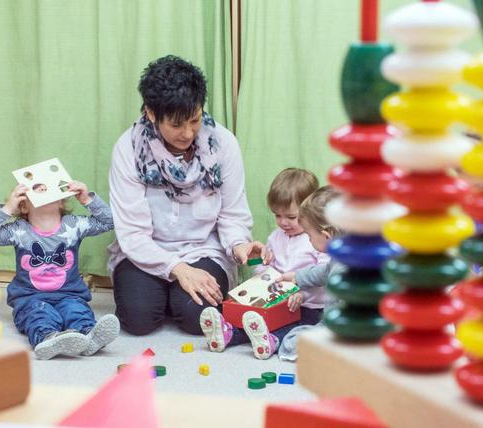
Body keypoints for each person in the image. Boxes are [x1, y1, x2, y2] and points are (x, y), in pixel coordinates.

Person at [108, 55, 266, 336]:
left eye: (194, 120)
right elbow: (132, 233)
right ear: (151, 113)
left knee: (197, 319)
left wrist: (239, 246)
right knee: (138, 319)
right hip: (145, 251)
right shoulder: (129, 148)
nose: (188, 133)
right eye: (177, 124)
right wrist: (177, 269)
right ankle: (164, 290)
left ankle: (174, 295)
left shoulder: (223, 143)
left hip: (202, 248)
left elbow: (232, 213)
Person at [0, 181, 118, 359]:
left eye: (48, 187)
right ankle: (47, 338)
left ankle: (89, 335)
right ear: (23, 206)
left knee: (76, 310)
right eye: (36, 189)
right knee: (39, 314)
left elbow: (109, 222)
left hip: (70, 294)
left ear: (61, 201)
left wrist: (86, 199)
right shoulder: (19, 230)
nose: (43, 189)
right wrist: (7, 208)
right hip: (30, 298)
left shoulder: (73, 225)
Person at [200, 186, 341, 359]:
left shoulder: (334, 259)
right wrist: (266, 277)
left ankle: (273, 341)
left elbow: (325, 282)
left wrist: (302, 293)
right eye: (277, 215)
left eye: (291, 217)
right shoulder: (276, 237)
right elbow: (320, 272)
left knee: (291, 330)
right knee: (257, 321)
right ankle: (229, 333)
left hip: (309, 307)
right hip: (278, 299)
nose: (283, 222)